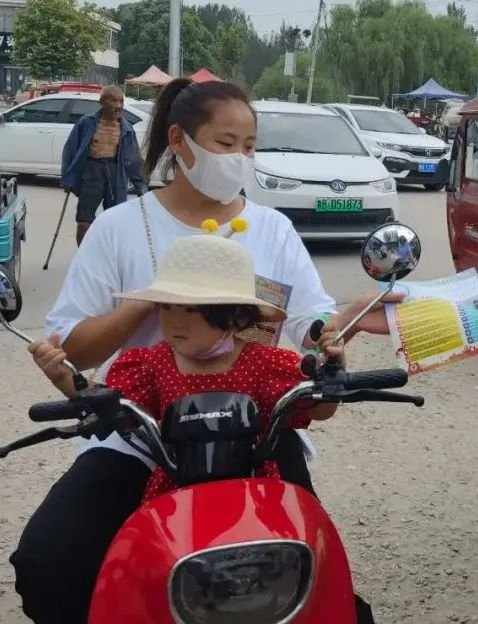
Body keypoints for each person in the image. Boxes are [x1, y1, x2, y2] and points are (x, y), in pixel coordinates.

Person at [11, 77, 396, 624]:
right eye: (226, 143)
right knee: (50, 564)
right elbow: (73, 347)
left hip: (256, 434)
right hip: (141, 434)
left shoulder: (272, 229)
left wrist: (339, 328)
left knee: (309, 569)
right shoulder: (121, 227)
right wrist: (155, 300)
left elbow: (310, 322)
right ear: (180, 140)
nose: (239, 158)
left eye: (250, 146)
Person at [30, 233, 340, 503]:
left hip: (256, 493)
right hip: (175, 495)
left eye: (191, 309)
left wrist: (332, 371)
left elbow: (319, 409)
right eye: (166, 307)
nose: (175, 321)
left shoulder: (266, 363)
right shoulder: (151, 364)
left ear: (239, 317)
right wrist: (65, 379)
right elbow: (112, 407)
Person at [60, 85, 147, 245]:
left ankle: (109, 255)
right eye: (113, 101)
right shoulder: (86, 122)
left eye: (121, 101)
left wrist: (141, 185)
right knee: (84, 220)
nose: (119, 105)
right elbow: (70, 150)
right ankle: (84, 255)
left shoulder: (127, 129)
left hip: (116, 174)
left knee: (116, 220)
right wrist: (68, 179)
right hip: (92, 172)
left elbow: (133, 159)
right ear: (102, 102)